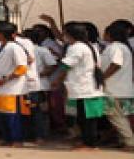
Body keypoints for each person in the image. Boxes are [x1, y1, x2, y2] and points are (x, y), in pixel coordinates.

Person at [56, 21, 107, 150]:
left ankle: (89, 143)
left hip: (83, 87)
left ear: (70, 34)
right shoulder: (90, 46)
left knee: (86, 118)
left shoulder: (76, 47)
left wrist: (58, 79)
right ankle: (87, 141)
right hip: (89, 86)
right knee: (87, 118)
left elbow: (67, 65)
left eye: (65, 33)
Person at [0, 22, 28, 147]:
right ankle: (6, 138)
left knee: (12, 116)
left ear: (1, 34)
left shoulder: (14, 47)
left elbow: (22, 68)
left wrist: (6, 79)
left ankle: (16, 139)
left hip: (11, 87)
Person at [100, 20, 134, 149]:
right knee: (121, 117)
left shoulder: (115, 47)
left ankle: (130, 142)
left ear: (109, 34)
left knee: (115, 116)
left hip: (114, 88)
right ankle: (122, 140)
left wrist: (103, 77)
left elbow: (116, 64)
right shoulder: (124, 47)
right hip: (124, 88)